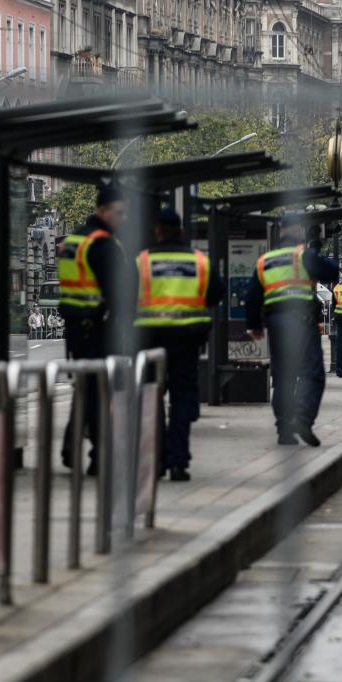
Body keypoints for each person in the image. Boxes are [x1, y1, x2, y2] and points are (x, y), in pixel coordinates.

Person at [135, 208, 223, 481]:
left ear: (157, 231)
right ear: (181, 230)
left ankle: (158, 460)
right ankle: (178, 461)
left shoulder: (143, 261)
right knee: (182, 398)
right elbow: (215, 295)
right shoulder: (200, 261)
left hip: (151, 339)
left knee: (151, 398)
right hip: (187, 340)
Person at [57, 185, 133, 474]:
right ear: (103, 210)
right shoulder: (102, 244)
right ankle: (98, 456)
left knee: (85, 388)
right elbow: (118, 292)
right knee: (101, 391)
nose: (123, 219)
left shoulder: (74, 240)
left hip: (75, 328)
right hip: (98, 328)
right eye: (119, 212)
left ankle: (70, 444)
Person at [246, 214, 338, 446]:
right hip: (302, 323)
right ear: (297, 229)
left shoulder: (265, 260)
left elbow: (252, 297)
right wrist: (314, 250)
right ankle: (303, 419)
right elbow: (332, 272)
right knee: (312, 373)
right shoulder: (303, 255)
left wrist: (254, 326)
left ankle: (284, 430)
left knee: (283, 377)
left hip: (276, 323)